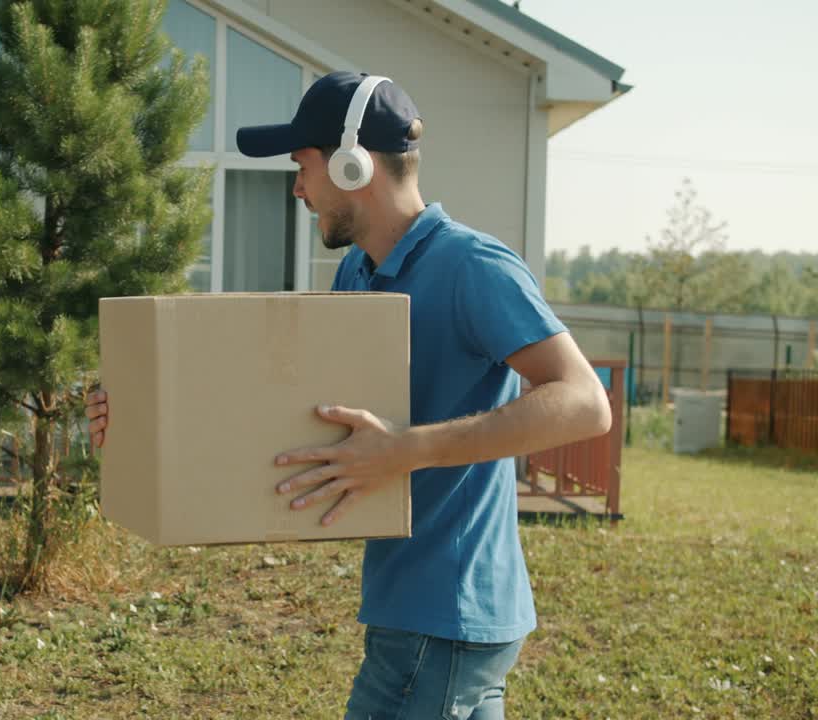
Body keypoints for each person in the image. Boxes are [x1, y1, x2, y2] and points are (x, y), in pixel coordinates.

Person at [85, 70, 612, 719]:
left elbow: (585, 402)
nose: (297, 188)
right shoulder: (359, 272)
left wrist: (405, 450)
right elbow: (296, 418)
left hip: (445, 613)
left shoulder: (472, 266)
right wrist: (139, 416)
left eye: (301, 166)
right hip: (414, 608)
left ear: (352, 164)